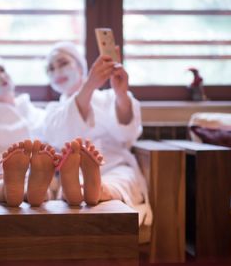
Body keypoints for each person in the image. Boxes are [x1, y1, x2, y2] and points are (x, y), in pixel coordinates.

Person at [42, 42, 151, 225]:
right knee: (71, 182)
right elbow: (59, 138)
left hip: (113, 165)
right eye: (50, 69)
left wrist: (121, 94)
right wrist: (89, 86)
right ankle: (81, 189)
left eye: (62, 63)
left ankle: (100, 189)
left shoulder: (110, 96)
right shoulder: (53, 110)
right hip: (73, 171)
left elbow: (127, 134)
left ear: (80, 66)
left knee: (122, 179)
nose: (57, 72)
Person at [0, 55, 58, 207]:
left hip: (37, 170)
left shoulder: (40, 115)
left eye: (2, 69)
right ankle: (12, 187)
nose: (1, 76)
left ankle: (33, 187)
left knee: (50, 174)